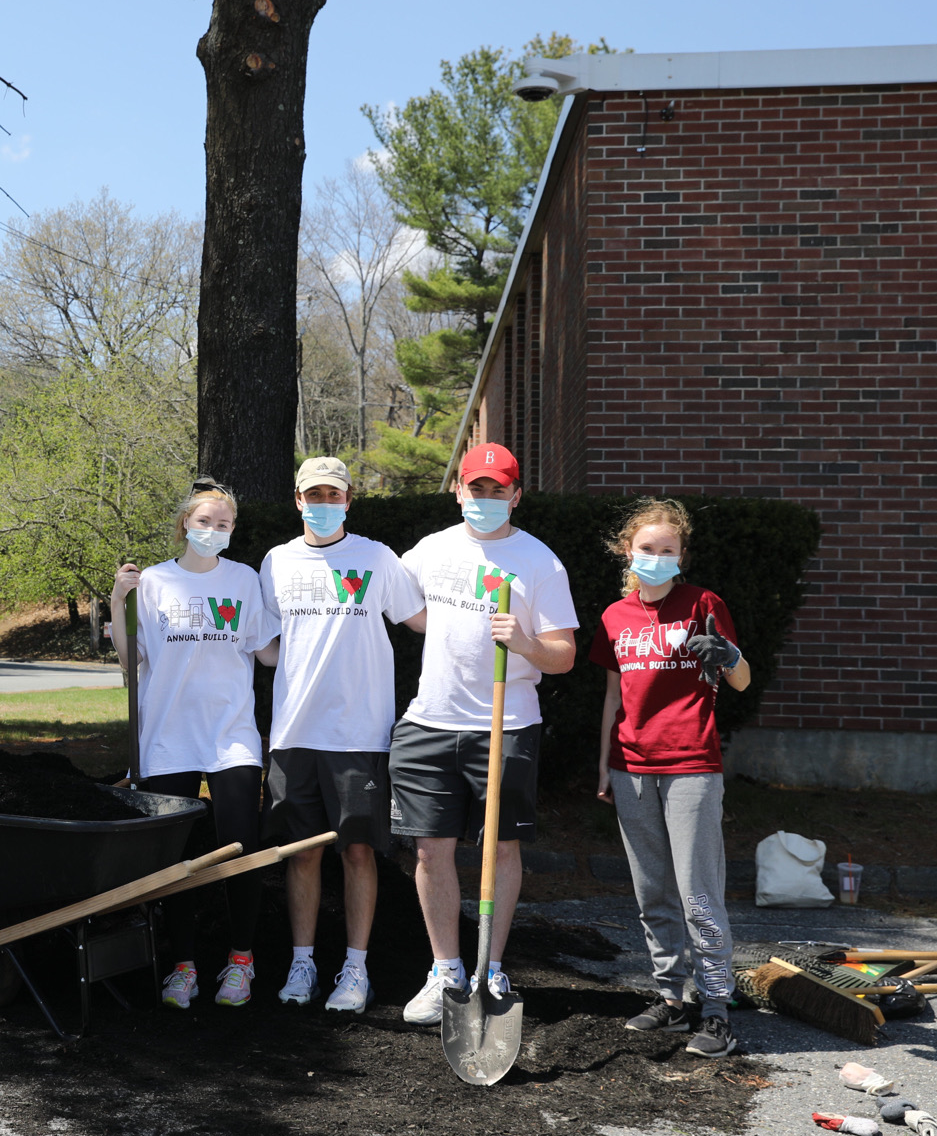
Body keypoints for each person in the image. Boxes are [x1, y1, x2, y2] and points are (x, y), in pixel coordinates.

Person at [392, 443, 579, 1026]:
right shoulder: (430, 550)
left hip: (506, 723)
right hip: (430, 720)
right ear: (459, 491)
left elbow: (565, 656)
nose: (486, 498)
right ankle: (446, 969)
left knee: (499, 848)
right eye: (477, 487)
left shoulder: (539, 562)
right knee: (429, 848)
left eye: (499, 489)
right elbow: (404, 608)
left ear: (516, 495)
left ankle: (490, 967)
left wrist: (524, 644)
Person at [253, 457, 426, 1012]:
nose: (323, 505)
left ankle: (355, 970)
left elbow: (420, 620)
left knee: (356, 852)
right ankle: (302, 964)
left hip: (359, 734)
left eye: (334, 495)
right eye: (313, 495)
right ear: (297, 500)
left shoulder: (376, 558)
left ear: (349, 500)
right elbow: (265, 643)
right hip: (294, 734)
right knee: (300, 854)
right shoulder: (276, 562)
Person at [112, 482, 280, 1009]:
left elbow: (268, 652)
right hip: (167, 737)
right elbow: (127, 660)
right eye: (204, 521)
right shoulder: (155, 582)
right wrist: (119, 599)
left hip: (231, 736)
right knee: (178, 856)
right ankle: (182, 965)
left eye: (224, 524)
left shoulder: (244, 581)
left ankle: (240, 962)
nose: (213, 531)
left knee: (241, 848)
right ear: (185, 522)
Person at [593, 498, 749, 1059]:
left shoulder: (702, 604)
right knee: (652, 891)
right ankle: (670, 996)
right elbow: (613, 696)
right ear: (627, 551)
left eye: (667, 550)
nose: (656, 558)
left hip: (691, 767)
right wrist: (603, 764)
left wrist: (728, 654)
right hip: (630, 768)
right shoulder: (616, 616)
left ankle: (715, 1009)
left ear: (681, 557)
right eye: (646, 549)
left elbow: (741, 681)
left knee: (698, 893)